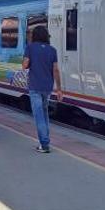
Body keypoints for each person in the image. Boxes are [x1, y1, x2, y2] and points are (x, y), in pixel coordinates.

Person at [22, 25, 62, 153]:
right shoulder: (52, 50)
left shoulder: (30, 48)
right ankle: (45, 140)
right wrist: (59, 89)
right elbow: (55, 70)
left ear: (34, 36)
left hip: (34, 87)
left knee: (39, 115)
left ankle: (44, 144)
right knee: (44, 115)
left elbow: (25, 65)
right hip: (47, 87)